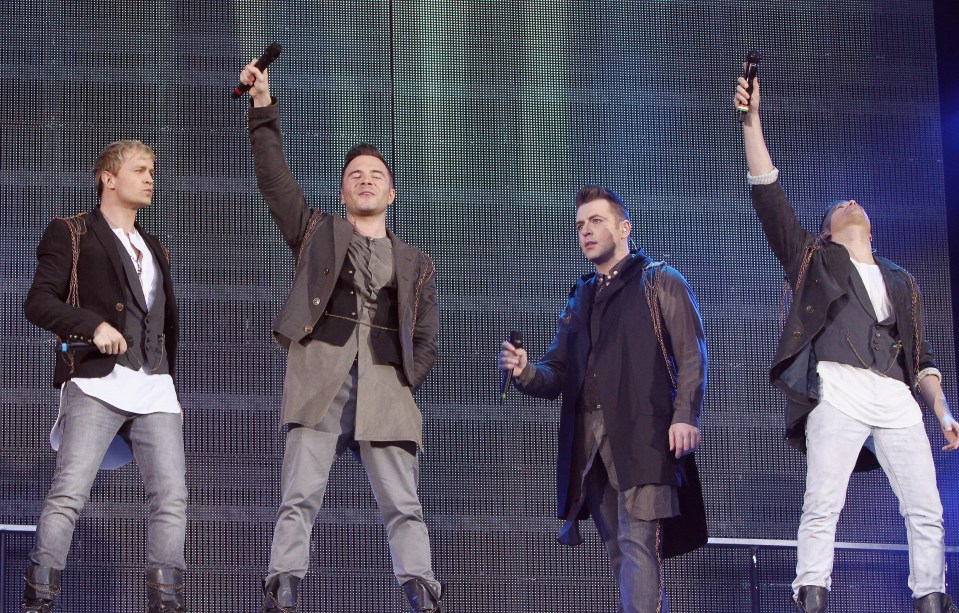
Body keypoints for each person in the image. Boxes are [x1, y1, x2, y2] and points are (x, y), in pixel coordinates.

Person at [736, 73, 959, 613]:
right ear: (829, 230)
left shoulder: (902, 281)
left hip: (896, 401)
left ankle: (931, 597)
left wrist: (944, 412)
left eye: (857, 203)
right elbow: (769, 194)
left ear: (871, 230)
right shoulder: (813, 260)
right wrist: (751, 120)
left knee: (925, 507)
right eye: (841, 205)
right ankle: (811, 594)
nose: (853, 203)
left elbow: (921, 359)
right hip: (836, 390)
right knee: (823, 503)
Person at [238, 60, 443, 613]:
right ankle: (283, 585)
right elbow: (275, 179)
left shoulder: (417, 262)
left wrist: (406, 378)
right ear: (344, 191)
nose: (366, 179)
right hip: (322, 373)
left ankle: (422, 592)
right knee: (300, 492)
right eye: (356, 175)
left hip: (386, 382)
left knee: (403, 501)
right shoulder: (318, 232)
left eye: (376, 174)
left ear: (393, 193)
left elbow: (427, 334)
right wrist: (262, 108)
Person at [499, 185, 708, 613]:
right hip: (590, 442)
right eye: (580, 226)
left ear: (624, 227)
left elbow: (692, 353)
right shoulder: (580, 296)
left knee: (637, 545)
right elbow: (556, 372)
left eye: (596, 221)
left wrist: (685, 414)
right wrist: (524, 370)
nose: (587, 232)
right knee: (620, 550)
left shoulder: (659, 280)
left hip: (644, 435)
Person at [21, 140, 188, 612]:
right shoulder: (71, 232)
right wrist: (91, 325)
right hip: (98, 382)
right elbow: (38, 302)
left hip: (154, 383)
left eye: (153, 170)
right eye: (141, 169)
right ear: (108, 178)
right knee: (70, 490)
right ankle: (40, 597)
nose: (151, 178)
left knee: (171, 496)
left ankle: (166, 602)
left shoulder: (155, 246)